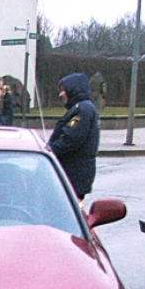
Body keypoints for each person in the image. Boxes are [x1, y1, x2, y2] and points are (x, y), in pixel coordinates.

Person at [48, 72, 100, 201]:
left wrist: (49, 152)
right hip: (75, 174)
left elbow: (71, 139)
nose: (61, 94)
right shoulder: (82, 108)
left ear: (73, 89)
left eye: (63, 90)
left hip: (74, 174)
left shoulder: (82, 110)